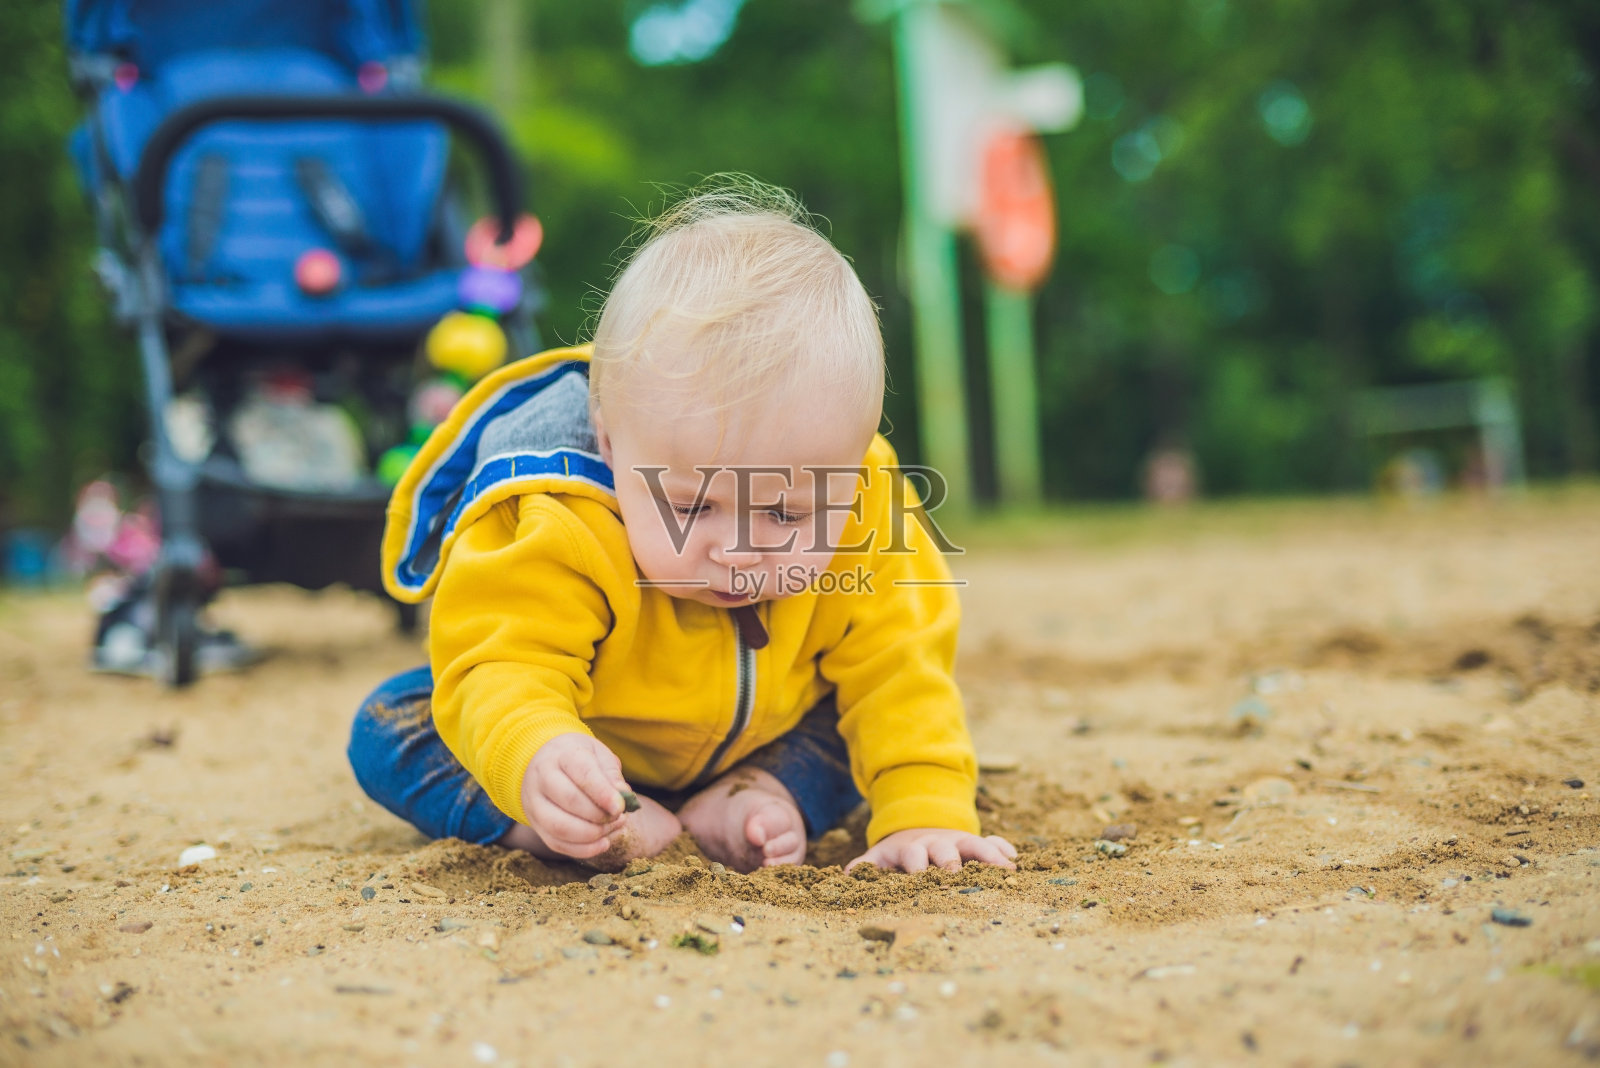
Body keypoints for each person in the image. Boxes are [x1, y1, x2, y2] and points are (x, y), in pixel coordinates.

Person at [347, 178, 1015, 875]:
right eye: (692, 507)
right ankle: (559, 823)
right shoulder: (558, 513)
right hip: (590, 737)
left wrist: (926, 815)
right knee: (391, 727)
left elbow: (902, 670)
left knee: (859, 729)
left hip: (768, 735)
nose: (736, 550)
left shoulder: (864, 504)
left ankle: (756, 793)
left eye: (785, 513)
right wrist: (540, 750)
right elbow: (505, 660)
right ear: (610, 449)